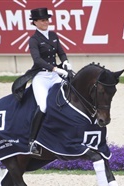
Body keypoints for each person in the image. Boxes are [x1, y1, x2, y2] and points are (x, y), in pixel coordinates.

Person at [27, 7, 72, 155]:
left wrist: (65, 62)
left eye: (47, 19)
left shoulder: (53, 35)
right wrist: (55, 69)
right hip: (42, 77)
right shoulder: (33, 40)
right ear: (35, 22)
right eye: (42, 20)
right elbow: (37, 60)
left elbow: (61, 52)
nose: (45, 22)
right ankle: (32, 141)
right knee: (44, 106)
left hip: (54, 76)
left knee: (68, 98)